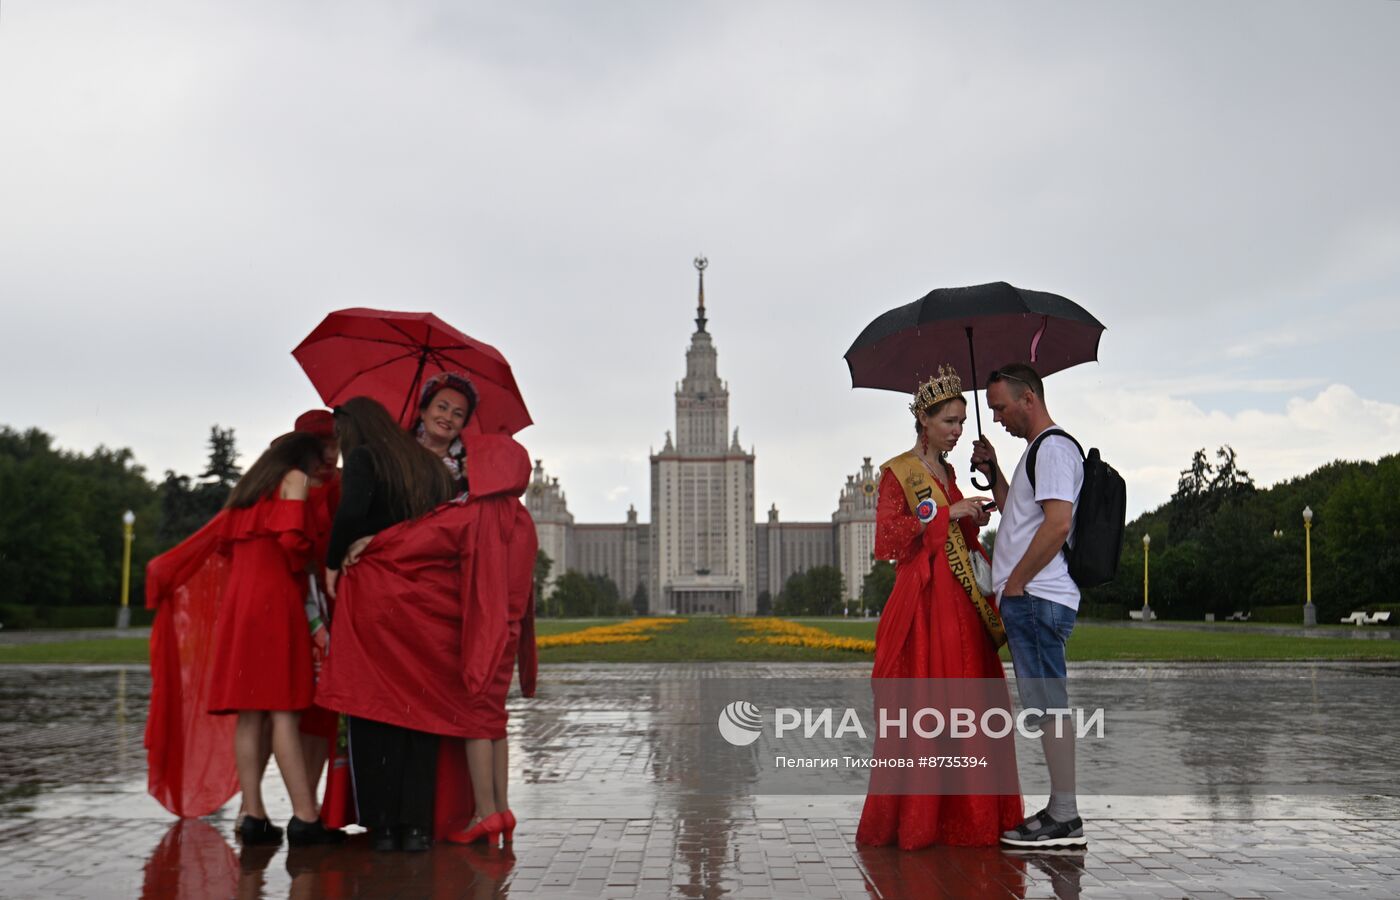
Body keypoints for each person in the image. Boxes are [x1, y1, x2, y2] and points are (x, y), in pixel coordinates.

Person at [856, 365, 1024, 850]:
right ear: (923, 422)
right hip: (925, 607)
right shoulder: (898, 473)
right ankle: (920, 820)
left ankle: (971, 818)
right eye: (949, 422)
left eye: (960, 422)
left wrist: (976, 500)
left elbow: (960, 538)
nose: (957, 431)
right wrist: (950, 512)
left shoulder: (948, 473)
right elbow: (887, 539)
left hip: (962, 604)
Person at [323, 396, 455, 852]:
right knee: (420, 706)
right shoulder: (433, 470)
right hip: (427, 599)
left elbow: (351, 514)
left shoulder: (364, 459)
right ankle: (416, 825)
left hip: (375, 594)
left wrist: (333, 561)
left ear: (352, 428)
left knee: (371, 705)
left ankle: (381, 826)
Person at [970, 362, 1088, 850]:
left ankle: (1064, 816)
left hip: (1036, 598)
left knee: (1050, 707)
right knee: (1044, 707)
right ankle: (1061, 811)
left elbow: (1058, 524)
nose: (997, 417)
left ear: (1029, 400)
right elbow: (1022, 516)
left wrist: (1015, 582)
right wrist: (995, 470)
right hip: (1030, 598)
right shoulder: (1035, 454)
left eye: (1000, 407)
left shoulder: (1054, 449)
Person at [206, 431, 343, 846]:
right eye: (322, 457)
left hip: (239, 605)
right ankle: (306, 817)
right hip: (276, 601)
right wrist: (315, 559)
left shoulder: (249, 488)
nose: (326, 465)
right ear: (303, 455)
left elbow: (225, 545)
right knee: (284, 711)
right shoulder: (295, 479)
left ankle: (253, 815)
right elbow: (291, 543)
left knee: (250, 715)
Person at [413, 371, 477, 496]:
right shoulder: (396, 450)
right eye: (442, 407)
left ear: (463, 425)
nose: (448, 417)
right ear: (423, 412)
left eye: (458, 414)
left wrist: (472, 482)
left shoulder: (466, 468)